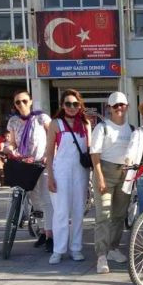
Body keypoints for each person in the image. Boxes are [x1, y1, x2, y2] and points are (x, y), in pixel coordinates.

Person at [45, 89, 92, 265]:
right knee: (61, 211)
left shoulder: (86, 124)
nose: (72, 107)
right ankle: (58, 249)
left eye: (75, 104)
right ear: (62, 105)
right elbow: (50, 152)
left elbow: (89, 150)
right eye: (68, 104)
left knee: (78, 210)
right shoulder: (56, 124)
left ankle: (76, 248)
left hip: (80, 171)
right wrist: (50, 176)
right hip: (61, 170)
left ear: (80, 105)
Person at [4, 90, 53, 251]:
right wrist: (10, 149)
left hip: (42, 164)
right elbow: (12, 142)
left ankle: (51, 236)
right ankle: (42, 232)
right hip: (25, 164)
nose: (21, 104)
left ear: (30, 101)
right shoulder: (13, 121)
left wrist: (47, 156)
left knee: (46, 199)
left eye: (24, 101)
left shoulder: (41, 118)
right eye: (18, 102)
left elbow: (53, 138)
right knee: (34, 199)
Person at [90, 92, 133, 274]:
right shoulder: (102, 128)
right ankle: (101, 255)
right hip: (105, 172)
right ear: (109, 108)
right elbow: (95, 155)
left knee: (119, 215)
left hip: (125, 173)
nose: (119, 108)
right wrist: (99, 177)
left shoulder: (131, 129)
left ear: (127, 106)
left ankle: (113, 248)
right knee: (104, 215)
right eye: (115, 106)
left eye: (122, 105)